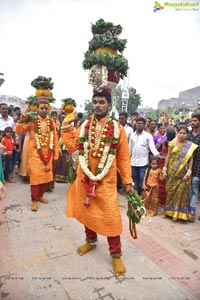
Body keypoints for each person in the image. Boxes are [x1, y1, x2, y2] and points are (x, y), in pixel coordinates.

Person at [61, 90, 134, 276]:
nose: (97, 105)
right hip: (84, 178)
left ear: (109, 105)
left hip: (106, 182)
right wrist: (65, 129)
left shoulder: (118, 129)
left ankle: (116, 254)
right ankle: (91, 241)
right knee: (87, 211)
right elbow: (72, 147)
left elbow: (124, 158)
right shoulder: (84, 125)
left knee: (111, 217)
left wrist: (128, 181)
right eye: (95, 102)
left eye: (102, 102)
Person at [16, 98, 59, 211]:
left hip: (48, 154)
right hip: (35, 154)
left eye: (46, 108)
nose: (44, 110)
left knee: (45, 178)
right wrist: (21, 120)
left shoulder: (51, 122)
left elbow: (54, 138)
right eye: (42, 108)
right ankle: (34, 200)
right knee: (35, 178)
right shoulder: (32, 121)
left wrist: (55, 154)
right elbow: (19, 131)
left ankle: (40, 196)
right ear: (38, 109)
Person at [162, 125, 198, 221]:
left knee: (181, 193)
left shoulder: (190, 146)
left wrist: (189, 173)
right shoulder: (172, 143)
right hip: (171, 172)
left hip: (183, 173)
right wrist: (164, 169)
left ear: (187, 134)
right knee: (169, 192)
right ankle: (167, 212)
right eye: (180, 133)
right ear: (177, 133)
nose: (182, 135)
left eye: (184, 133)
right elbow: (168, 156)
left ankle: (178, 214)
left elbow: (191, 160)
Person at [129, 117, 159, 195]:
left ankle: (141, 196)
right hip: (133, 162)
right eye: (138, 123)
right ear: (136, 124)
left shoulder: (148, 136)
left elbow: (152, 147)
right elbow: (130, 148)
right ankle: (136, 197)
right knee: (135, 179)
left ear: (144, 125)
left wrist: (157, 155)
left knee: (142, 179)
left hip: (143, 162)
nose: (139, 125)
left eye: (141, 123)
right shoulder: (132, 135)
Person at [187, 112, 200, 222]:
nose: (193, 122)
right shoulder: (189, 135)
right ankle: (191, 212)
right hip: (193, 168)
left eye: (195, 120)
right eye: (192, 120)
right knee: (193, 191)